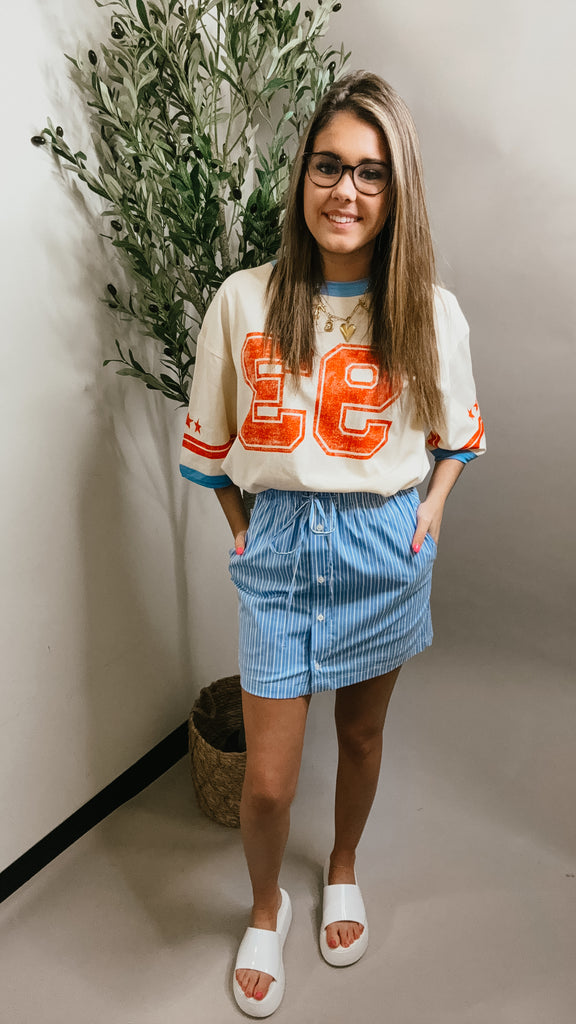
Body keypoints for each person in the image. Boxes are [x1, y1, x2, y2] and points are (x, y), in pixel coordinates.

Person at [180, 70, 485, 1017]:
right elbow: (210, 444)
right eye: (327, 166)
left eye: (369, 172)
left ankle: (343, 864)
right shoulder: (244, 300)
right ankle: (265, 906)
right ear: (302, 178)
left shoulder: (428, 308)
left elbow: (458, 437)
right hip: (279, 549)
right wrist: (244, 530)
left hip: (383, 550)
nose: (344, 191)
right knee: (268, 786)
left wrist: (430, 513)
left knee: (361, 735)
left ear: (396, 192)